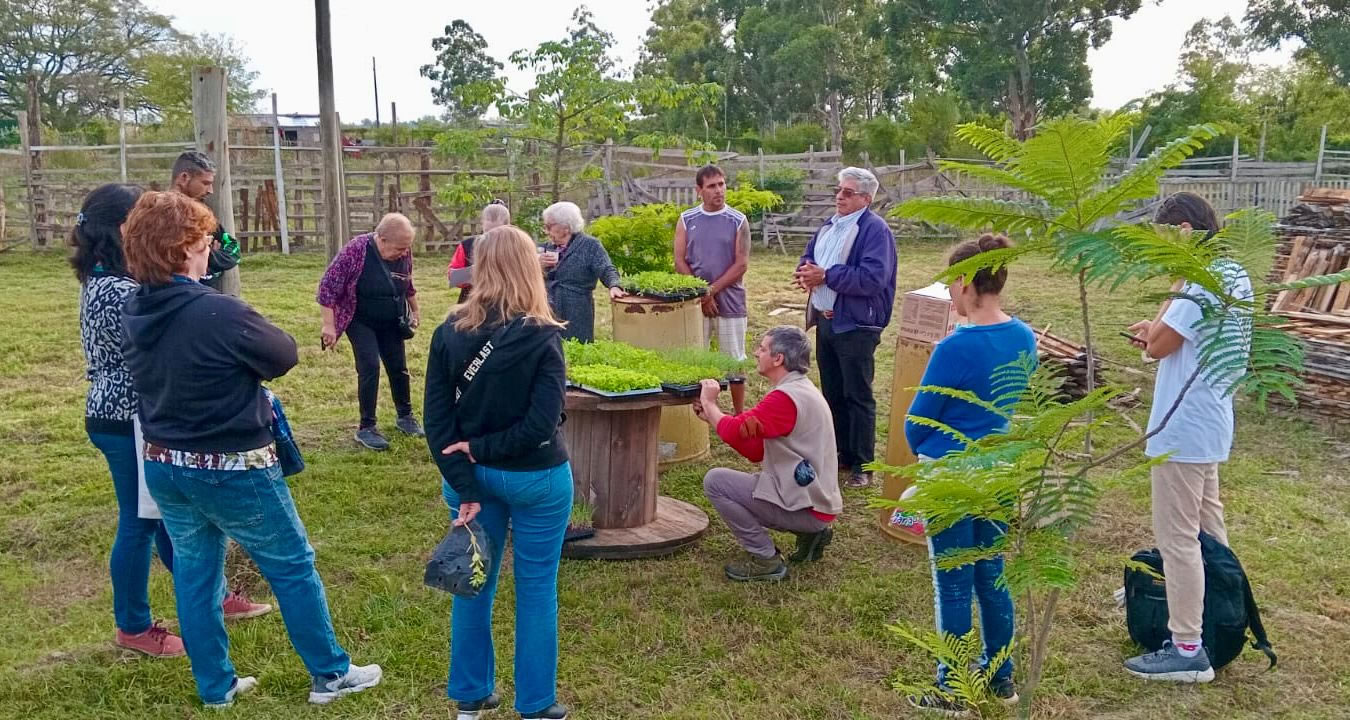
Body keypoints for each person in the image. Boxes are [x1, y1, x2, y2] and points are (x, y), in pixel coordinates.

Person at [120, 191, 381, 708]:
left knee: (196, 573)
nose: (210, 247)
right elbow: (282, 352)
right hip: (232, 464)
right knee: (291, 564)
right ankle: (331, 674)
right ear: (183, 246)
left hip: (165, 463)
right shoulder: (216, 311)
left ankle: (215, 686)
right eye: (203, 239)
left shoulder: (134, 307)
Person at [73, 184, 271, 660]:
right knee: (139, 522)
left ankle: (212, 594)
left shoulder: (114, 280)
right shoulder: (115, 290)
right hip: (125, 418)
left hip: (140, 414)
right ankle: (134, 626)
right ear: (122, 229)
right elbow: (174, 332)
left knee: (171, 512)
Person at [424, 225, 573, 720]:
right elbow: (540, 424)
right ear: (532, 266)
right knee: (536, 589)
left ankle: (470, 695)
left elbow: (437, 421)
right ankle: (536, 703)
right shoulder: (544, 337)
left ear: (479, 266)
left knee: (472, 582)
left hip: (472, 478)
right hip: (537, 478)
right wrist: (486, 449)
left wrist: (467, 473)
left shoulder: (449, 332)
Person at [903, 233, 1037, 714]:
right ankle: (1002, 679)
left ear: (964, 283)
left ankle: (953, 687)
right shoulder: (1024, 336)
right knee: (993, 575)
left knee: (954, 581)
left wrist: (923, 450)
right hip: (1001, 471)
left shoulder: (954, 348)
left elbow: (917, 421)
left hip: (953, 476)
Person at [1123, 192, 1252, 684]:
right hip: (1210, 422)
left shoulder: (1199, 280)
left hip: (1182, 428)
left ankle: (1187, 647)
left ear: (1181, 230)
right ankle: (1223, 611)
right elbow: (1169, 334)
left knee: (1178, 538)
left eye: (1164, 238)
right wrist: (1157, 326)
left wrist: (1168, 300)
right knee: (1208, 531)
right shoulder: (1232, 272)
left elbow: (1158, 345)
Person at [696, 326, 843, 582]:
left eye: (762, 349)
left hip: (809, 509)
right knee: (728, 480)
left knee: (716, 482)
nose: (756, 353)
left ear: (778, 359)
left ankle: (766, 559)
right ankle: (812, 534)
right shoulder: (799, 389)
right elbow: (755, 448)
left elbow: (736, 431)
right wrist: (711, 418)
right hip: (816, 503)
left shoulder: (785, 398)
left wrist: (710, 404)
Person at [794, 166, 897, 489]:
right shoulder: (831, 225)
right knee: (833, 393)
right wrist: (804, 271)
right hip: (828, 322)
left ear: (866, 198)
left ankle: (863, 465)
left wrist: (825, 276)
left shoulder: (874, 230)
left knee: (858, 395)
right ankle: (842, 453)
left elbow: (872, 279)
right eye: (839, 190)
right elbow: (810, 256)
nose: (839, 196)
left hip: (857, 324)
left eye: (848, 192)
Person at [318, 213, 424, 451]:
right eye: (399, 248)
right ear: (382, 239)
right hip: (360, 319)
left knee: (399, 367)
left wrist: (415, 311)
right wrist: (328, 325)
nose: (404, 252)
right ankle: (366, 427)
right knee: (370, 367)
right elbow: (327, 288)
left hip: (392, 318)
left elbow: (407, 283)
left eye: (407, 247)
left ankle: (405, 417)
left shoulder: (403, 252)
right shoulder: (356, 251)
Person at [675, 164, 751, 413]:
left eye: (721, 184)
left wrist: (712, 291)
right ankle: (702, 411)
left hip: (731, 299)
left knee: (734, 359)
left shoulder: (738, 220)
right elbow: (680, 261)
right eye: (711, 186)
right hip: (695, 301)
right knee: (698, 357)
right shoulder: (687, 220)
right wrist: (701, 294)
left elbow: (741, 264)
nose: (718, 190)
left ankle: (740, 414)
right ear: (699, 190)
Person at [538, 201, 625, 342]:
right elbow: (523, 273)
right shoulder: (544, 248)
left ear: (566, 227)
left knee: (577, 345)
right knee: (549, 349)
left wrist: (614, 285)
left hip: (576, 308)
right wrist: (537, 265)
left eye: (549, 226)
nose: (546, 231)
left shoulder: (590, 246)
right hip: (548, 308)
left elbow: (606, 267)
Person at [169, 151, 240, 296]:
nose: (211, 191)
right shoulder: (157, 216)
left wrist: (208, 256)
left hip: (206, 295)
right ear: (184, 178)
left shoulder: (202, 214)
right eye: (205, 183)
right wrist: (207, 253)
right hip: (175, 295)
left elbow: (234, 250)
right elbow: (171, 257)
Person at [449, 200, 511, 303]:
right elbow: (453, 278)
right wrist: (476, 271)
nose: (491, 236)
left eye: (497, 232)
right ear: (482, 225)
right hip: (473, 303)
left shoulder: (517, 246)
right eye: (488, 232)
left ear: (508, 226)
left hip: (508, 302)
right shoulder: (468, 245)